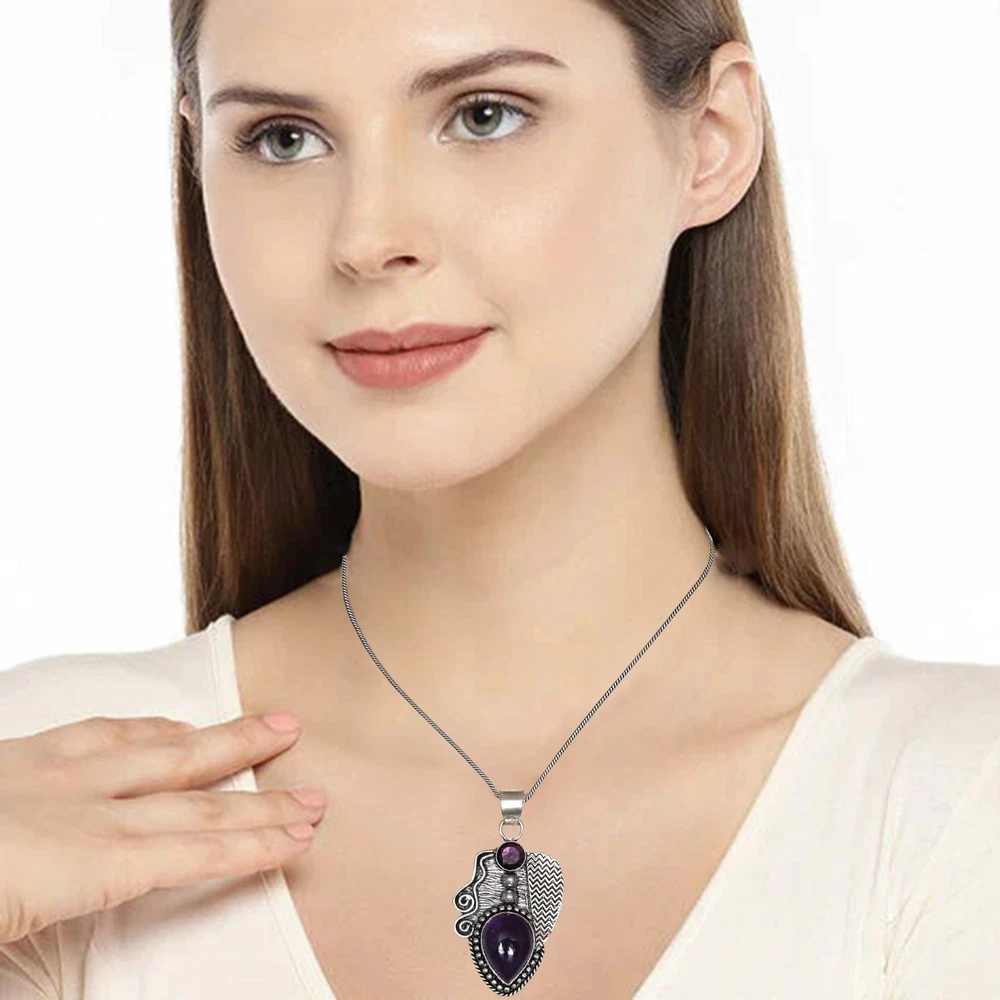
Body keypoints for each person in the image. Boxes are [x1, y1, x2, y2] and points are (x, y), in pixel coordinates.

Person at [2, 0, 998, 997]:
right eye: (283, 138)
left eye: (485, 115)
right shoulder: (43, 781)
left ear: (710, 139)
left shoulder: (955, 800)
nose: (368, 238)